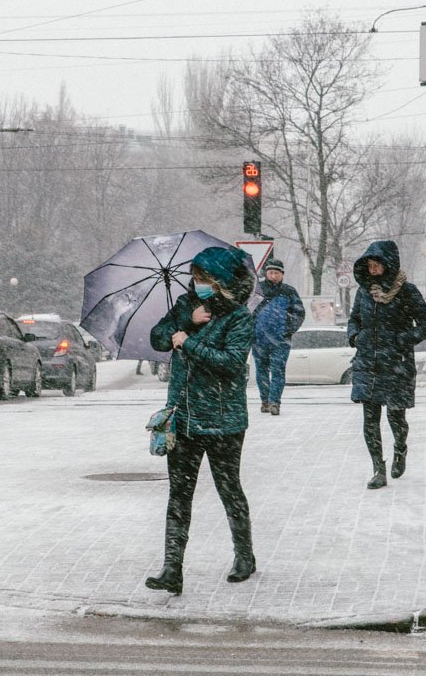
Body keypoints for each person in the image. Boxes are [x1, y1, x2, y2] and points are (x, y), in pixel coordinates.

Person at [145, 246, 256, 595]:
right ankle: (171, 568)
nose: (198, 284)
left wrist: (189, 344)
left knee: (229, 490)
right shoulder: (185, 306)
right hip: (184, 417)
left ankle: (244, 556)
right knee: (179, 495)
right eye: (195, 278)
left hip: (224, 421)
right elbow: (157, 338)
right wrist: (185, 323)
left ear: (221, 282)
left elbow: (231, 362)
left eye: (205, 279)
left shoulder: (239, 317)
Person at [346, 240, 426, 490]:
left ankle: (400, 448)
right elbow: (354, 319)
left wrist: (402, 339)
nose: (374, 270)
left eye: (378, 265)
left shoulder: (407, 291)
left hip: (396, 363)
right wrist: (355, 336)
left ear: (389, 265)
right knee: (370, 419)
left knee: (396, 418)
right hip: (368, 363)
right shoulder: (364, 291)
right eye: (370, 265)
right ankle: (378, 469)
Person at [252, 258, 304, 416]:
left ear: (282, 274)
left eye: (276, 273)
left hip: (280, 341)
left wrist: (287, 330)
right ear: (266, 273)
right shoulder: (257, 290)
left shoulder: (289, 291)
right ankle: (265, 400)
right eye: (270, 272)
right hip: (259, 340)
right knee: (261, 371)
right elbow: (248, 311)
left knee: (278, 371)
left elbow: (299, 313)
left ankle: (275, 402)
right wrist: (252, 330)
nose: (273, 276)